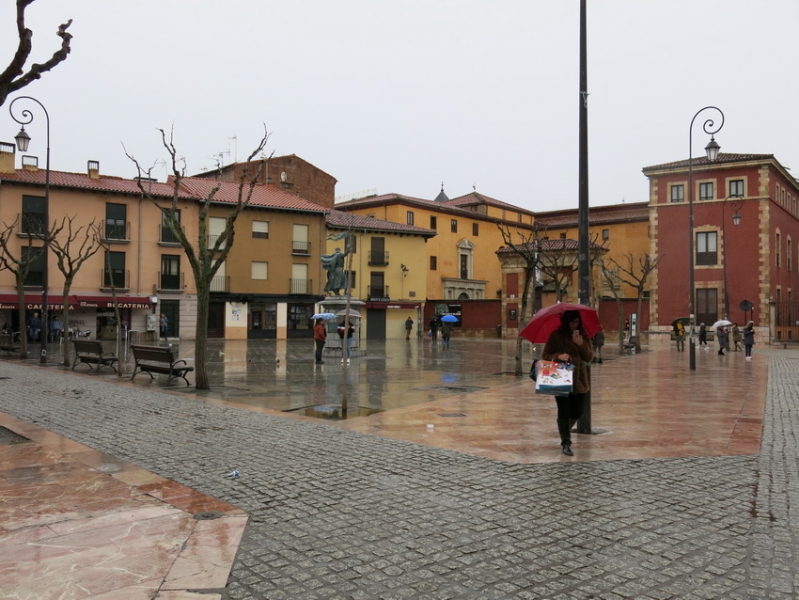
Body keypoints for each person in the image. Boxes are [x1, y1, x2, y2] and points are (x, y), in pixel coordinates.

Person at [542, 310, 593, 457]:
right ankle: (566, 442)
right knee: (563, 410)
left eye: (576, 321)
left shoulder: (582, 335)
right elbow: (545, 355)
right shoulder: (556, 335)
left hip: (579, 379)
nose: (574, 324)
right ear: (566, 322)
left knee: (577, 411)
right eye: (571, 322)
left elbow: (589, 357)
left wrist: (581, 344)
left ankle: (563, 429)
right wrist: (558, 356)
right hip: (560, 376)